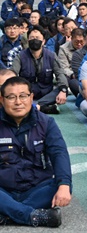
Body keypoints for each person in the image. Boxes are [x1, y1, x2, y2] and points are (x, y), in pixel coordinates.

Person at [0, 77, 72, 227]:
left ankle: (8, 215)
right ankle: (32, 215)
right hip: (4, 189)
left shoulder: (46, 123)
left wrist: (64, 185)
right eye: (11, 97)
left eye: (23, 96)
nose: (18, 102)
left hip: (37, 189)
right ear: (2, 99)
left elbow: (59, 153)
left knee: (63, 183)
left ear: (31, 97)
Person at [11, 26, 69, 115]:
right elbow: (13, 73)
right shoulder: (20, 56)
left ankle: (34, 106)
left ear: (43, 41)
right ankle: (42, 108)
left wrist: (63, 90)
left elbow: (60, 73)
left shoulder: (51, 55)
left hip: (47, 93)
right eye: (32, 38)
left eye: (37, 38)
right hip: (27, 93)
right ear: (28, 41)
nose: (34, 40)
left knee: (61, 90)